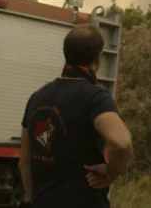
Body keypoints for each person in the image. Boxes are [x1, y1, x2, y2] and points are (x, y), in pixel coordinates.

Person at [19, 24, 133, 207]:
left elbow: (24, 164)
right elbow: (122, 143)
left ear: (66, 54)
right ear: (98, 58)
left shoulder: (36, 97)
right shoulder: (95, 99)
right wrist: (111, 172)